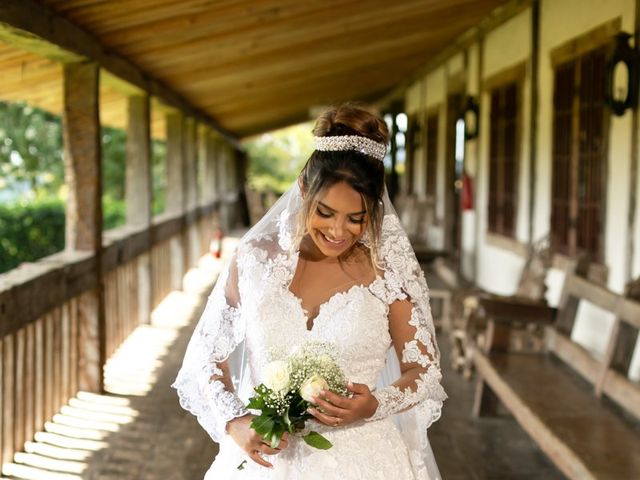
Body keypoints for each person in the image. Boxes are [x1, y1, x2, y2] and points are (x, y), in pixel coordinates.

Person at [172, 103, 447, 479]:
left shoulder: (388, 274)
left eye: (356, 218)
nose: (338, 231)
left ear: (374, 210)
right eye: (325, 212)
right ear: (303, 188)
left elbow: (425, 371)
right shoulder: (255, 262)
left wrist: (375, 404)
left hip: (364, 462)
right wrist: (234, 420)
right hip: (265, 465)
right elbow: (207, 356)